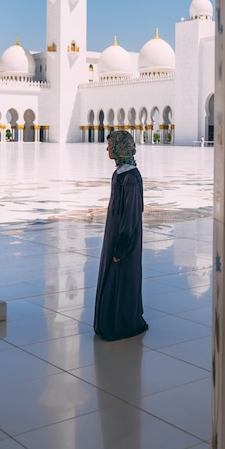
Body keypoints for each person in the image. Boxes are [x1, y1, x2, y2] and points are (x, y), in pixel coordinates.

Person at [94, 130, 148, 340]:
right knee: (111, 274)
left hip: (125, 239)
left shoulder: (131, 178)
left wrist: (121, 246)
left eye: (110, 146)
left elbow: (132, 214)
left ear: (119, 147)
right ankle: (108, 320)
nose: (107, 149)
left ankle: (123, 323)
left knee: (123, 276)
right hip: (113, 233)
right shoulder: (119, 174)